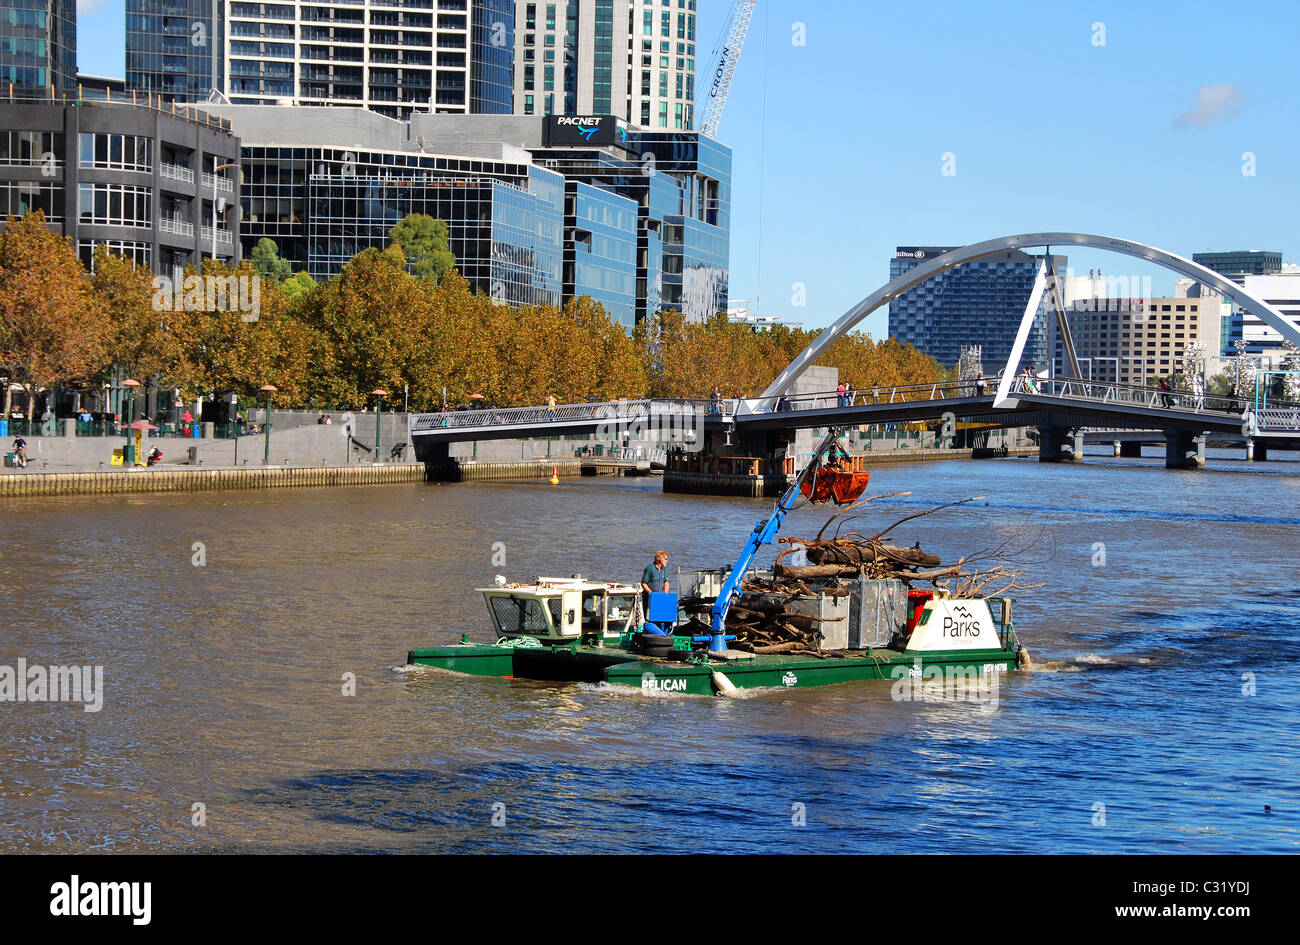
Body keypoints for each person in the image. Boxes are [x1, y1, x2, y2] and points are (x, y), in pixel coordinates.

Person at [640, 551, 670, 632]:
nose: (667, 560)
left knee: (660, 618)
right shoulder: (650, 568)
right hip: (650, 599)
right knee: (650, 618)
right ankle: (648, 633)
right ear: (660, 560)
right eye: (666, 559)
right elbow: (643, 583)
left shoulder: (664, 569)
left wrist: (665, 595)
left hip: (660, 598)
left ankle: (661, 633)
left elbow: (666, 582)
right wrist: (650, 593)